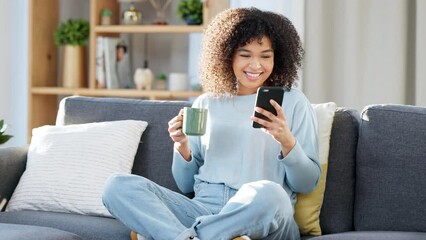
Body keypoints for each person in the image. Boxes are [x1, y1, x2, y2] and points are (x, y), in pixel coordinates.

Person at [102, 7, 320, 240]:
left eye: (265, 56)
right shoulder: (207, 103)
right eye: (245, 55)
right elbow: (185, 184)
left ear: (278, 57)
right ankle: (206, 236)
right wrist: (181, 146)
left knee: (270, 193)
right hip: (203, 209)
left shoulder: (294, 102)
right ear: (227, 55)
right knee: (117, 186)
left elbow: (307, 183)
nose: (256, 65)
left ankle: (175, 236)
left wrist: (286, 141)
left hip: (259, 214)